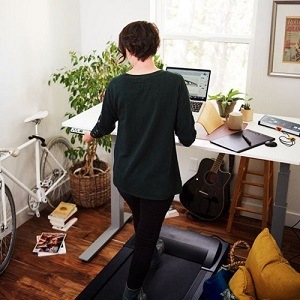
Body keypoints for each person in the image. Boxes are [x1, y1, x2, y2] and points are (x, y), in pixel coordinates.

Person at [83, 20, 196, 300]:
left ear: (127, 49)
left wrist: (91, 135)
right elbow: (188, 136)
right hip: (157, 181)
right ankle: (132, 292)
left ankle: (153, 249)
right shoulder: (174, 83)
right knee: (145, 237)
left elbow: (104, 125)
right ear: (154, 47)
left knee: (144, 224)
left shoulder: (117, 85)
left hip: (126, 178)